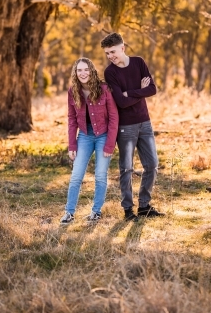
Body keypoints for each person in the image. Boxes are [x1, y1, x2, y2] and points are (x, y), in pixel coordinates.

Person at [101, 32, 164, 222]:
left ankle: (144, 206)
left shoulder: (138, 62)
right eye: (107, 53)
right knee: (126, 168)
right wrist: (140, 91)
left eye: (112, 51)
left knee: (152, 165)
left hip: (145, 122)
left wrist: (131, 92)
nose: (110, 56)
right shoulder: (110, 72)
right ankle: (128, 210)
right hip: (125, 127)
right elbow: (120, 101)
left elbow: (152, 89)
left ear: (122, 47)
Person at [60, 57, 118, 224]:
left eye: (86, 69)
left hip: (103, 136)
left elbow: (114, 117)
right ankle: (69, 213)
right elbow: (72, 119)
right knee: (76, 176)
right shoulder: (73, 91)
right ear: (75, 73)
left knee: (100, 175)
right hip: (84, 136)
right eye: (79, 70)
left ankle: (96, 212)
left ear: (92, 70)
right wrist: (72, 144)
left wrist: (109, 144)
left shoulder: (104, 89)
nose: (83, 73)